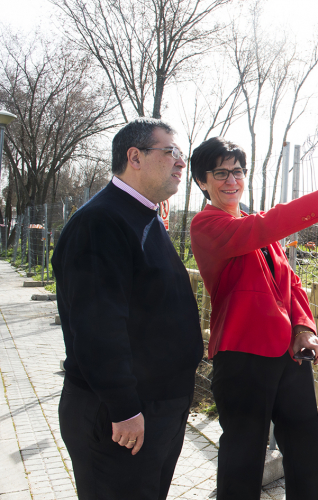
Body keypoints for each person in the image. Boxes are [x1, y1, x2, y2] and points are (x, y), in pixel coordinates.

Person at [188, 137, 318, 500]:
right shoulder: (208, 225)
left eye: (238, 172)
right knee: (243, 457)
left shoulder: (256, 226)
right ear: (202, 181)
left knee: (305, 448)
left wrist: (305, 328)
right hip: (242, 355)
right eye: (220, 174)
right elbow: (260, 229)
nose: (232, 181)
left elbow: (291, 282)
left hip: (288, 355)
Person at [52, 118, 203, 500]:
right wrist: (123, 407)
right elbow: (97, 326)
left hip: (156, 406)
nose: (181, 162)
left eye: (180, 153)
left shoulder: (145, 215)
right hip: (121, 417)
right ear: (134, 157)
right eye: (170, 152)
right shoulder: (101, 222)